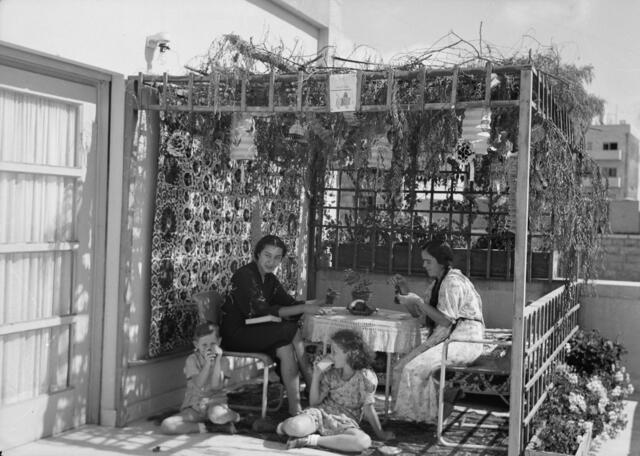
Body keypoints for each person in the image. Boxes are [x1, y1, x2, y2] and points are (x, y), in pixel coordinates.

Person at [220, 234, 321, 416]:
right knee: (290, 330)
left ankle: (295, 408)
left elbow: (289, 303)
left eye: (276, 257)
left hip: (255, 330)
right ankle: (311, 381)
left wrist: (316, 303)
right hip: (236, 334)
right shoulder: (245, 275)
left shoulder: (270, 280)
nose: (271, 261)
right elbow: (261, 312)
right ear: (258, 254)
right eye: (267, 255)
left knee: (284, 347)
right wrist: (304, 307)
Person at [390, 239, 485, 423]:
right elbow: (421, 315)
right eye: (423, 261)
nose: (423, 265)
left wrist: (417, 301)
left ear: (442, 261)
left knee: (415, 369)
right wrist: (405, 289)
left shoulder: (453, 282)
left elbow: (445, 320)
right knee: (400, 367)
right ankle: (409, 415)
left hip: (465, 341)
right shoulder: (436, 285)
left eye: (428, 261)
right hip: (446, 338)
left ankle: (429, 415)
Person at [276, 329, 394, 451]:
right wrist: (316, 375)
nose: (330, 356)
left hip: (345, 422)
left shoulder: (365, 376)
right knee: (294, 426)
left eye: (334, 352)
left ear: (349, 354)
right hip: (321, 414)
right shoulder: (332, 372)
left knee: (363, 441)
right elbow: (314, 403)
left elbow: (368, 409)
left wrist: (381, 434)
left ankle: (309, 440)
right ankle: (281, 427)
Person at [161, 321, 240, 434]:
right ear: (196, 345)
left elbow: (215, 385)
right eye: (204, 345)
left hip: (215, 404)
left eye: (213, 344)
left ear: (219, 342)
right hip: (194, 407)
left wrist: (217, 361)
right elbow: (198, 383)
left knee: (216, 416)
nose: (209, 348)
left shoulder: (223, 361)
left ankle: (234, 416)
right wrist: (208, 364)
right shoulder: (191, 360)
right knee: (167, 425)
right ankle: (209, 428)